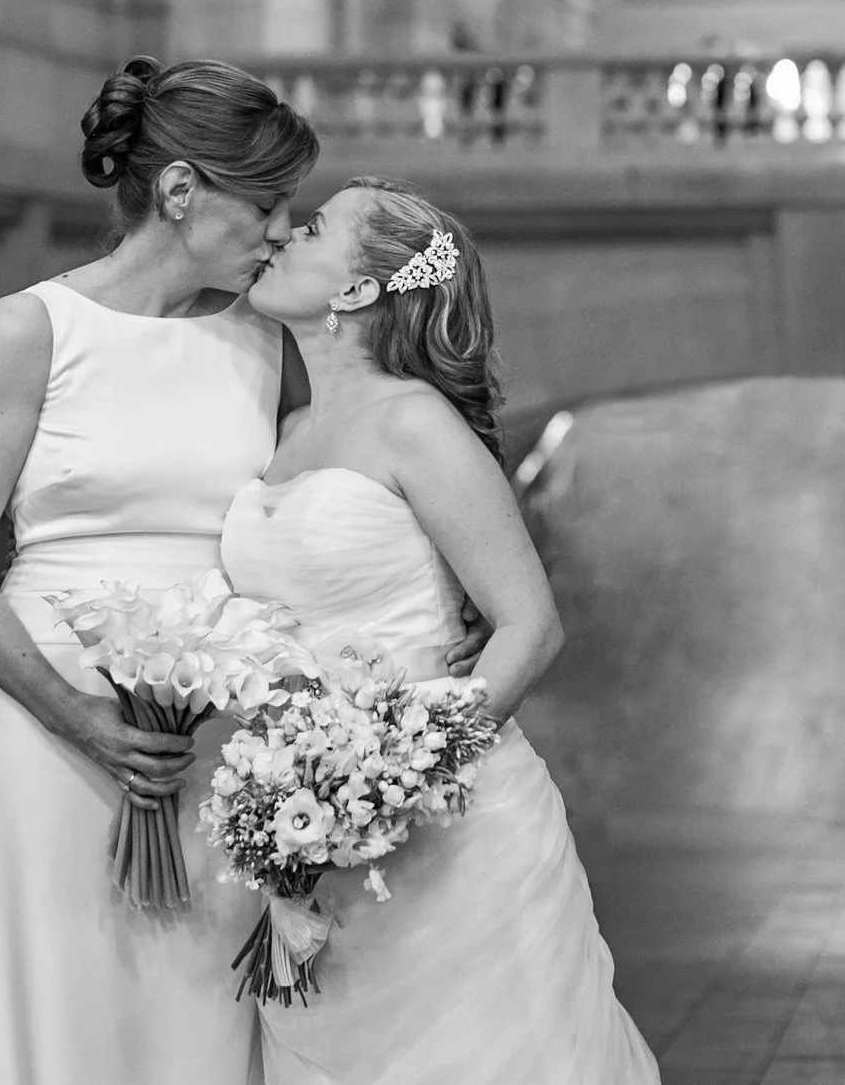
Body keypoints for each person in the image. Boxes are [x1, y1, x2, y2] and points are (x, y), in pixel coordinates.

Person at [0, 55, 315, 1085]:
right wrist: (76, 715)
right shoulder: (29, 328)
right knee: (67, 996)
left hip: (210, 734)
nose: (279, 232)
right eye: (266, 205)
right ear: (181, 190)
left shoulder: (266, 342)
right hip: (48, 725)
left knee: (200, 1011)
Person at [223, 177, 661, 1085]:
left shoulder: (413, 420)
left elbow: (530, 626)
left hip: (451, 832)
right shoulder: (285, 424)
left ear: (355, 291)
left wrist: (398, 779)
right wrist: (317, 797)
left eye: (311, 229)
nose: (280, 235)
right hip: (312, 828)